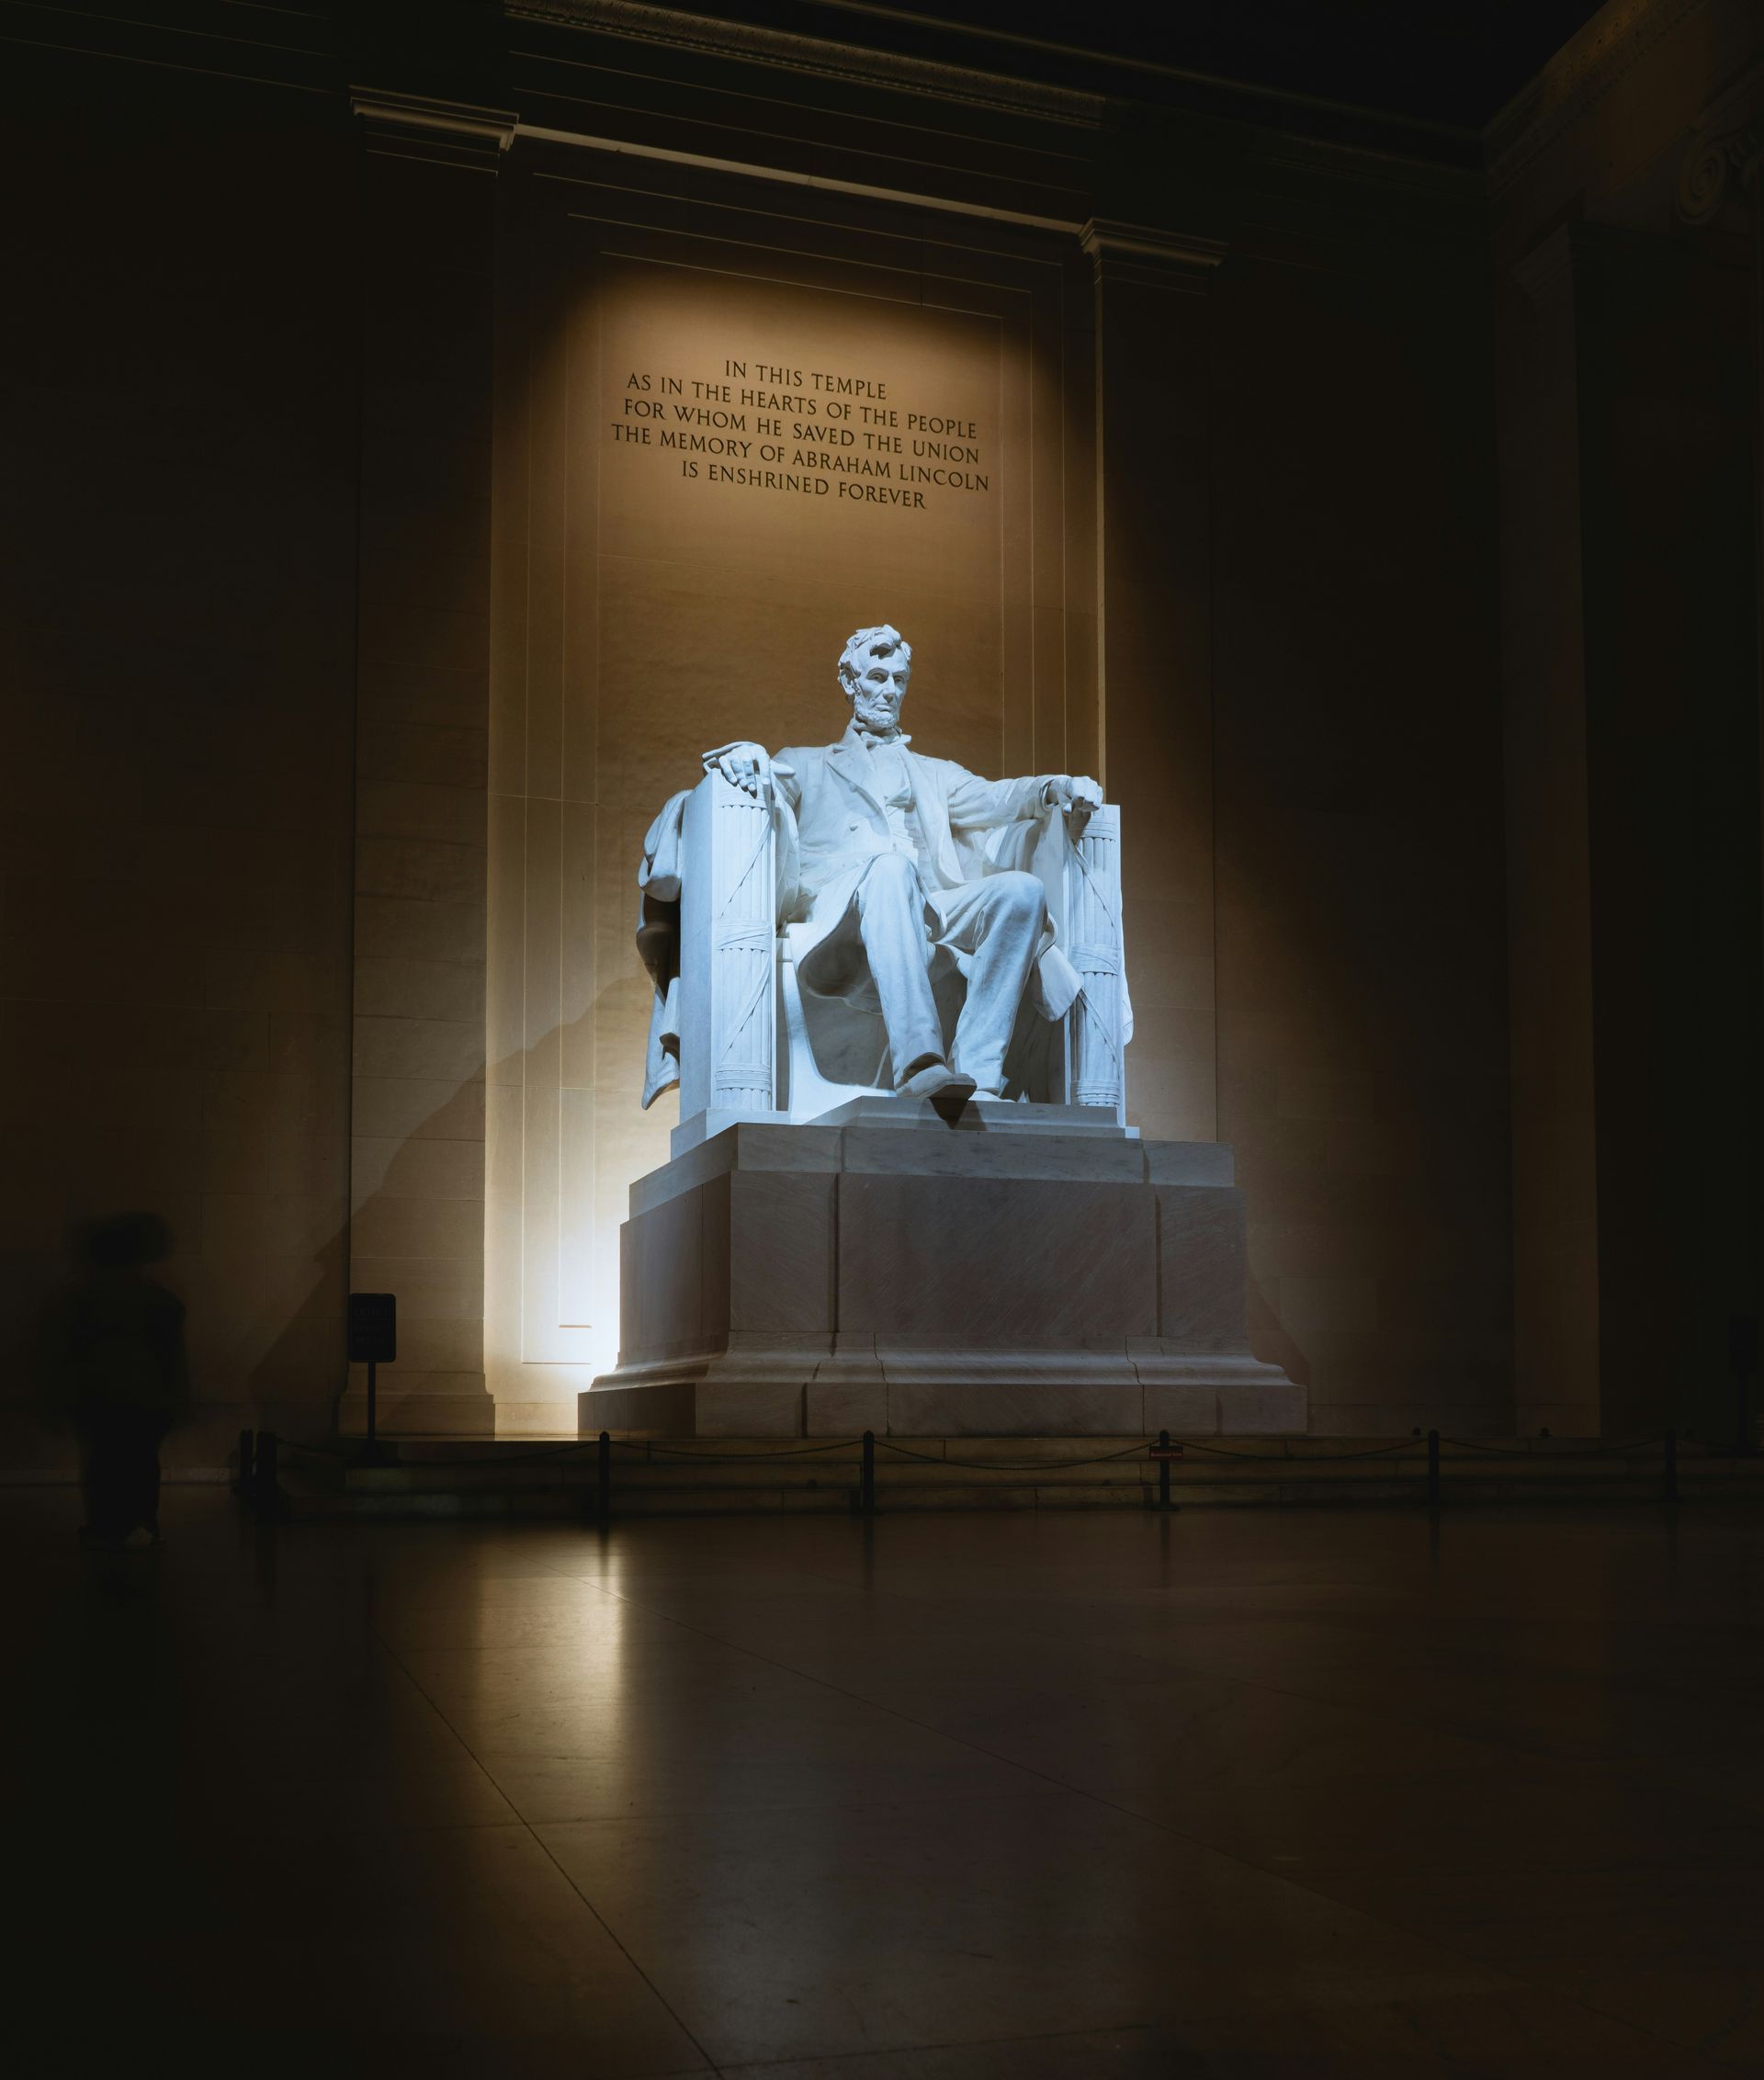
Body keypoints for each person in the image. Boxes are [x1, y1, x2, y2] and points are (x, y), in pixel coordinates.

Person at [705, 624, 1102, 1110]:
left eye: (899, 680)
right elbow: (772, 799)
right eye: (877, 677)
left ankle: (978, 1072)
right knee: (890, 868)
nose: (890, 691)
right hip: (843, 905)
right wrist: (749, 758)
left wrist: (1054, 788)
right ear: (851, 683)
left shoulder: (936, 773)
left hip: (925, 904)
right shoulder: (805, 763)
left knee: (1021, 893)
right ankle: (919, 1064)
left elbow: (997, 797)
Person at [47, 1213, 189, 1546]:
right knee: (140, 1462)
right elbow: (171, 1351)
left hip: (98, 1394)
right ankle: (142, 1524)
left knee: (103, 1463)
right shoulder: (156, 1298)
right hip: (146, 1395)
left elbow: (66, 1349)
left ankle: (105, 1525)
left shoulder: (83, 1297)